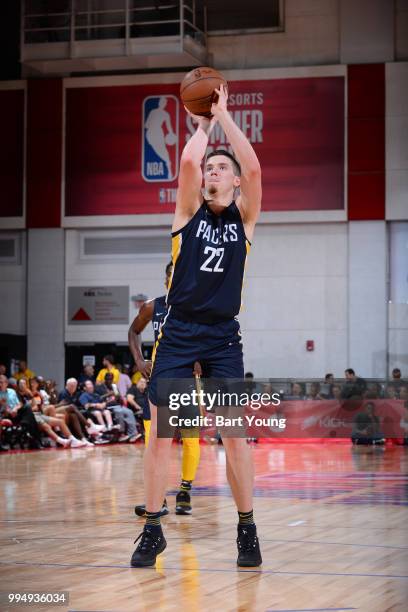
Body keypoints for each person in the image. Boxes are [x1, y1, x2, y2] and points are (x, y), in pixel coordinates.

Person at [130, 84, 262, 568]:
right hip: (180, 332)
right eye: (210, 167)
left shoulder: (244, 220)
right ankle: (152, 528)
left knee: (234, 433)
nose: (212, 170)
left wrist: (225, 116)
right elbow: (186, 165)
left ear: (235, 183)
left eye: (221, 168)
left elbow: (256, 168)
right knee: (161, 433)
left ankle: (246, 529)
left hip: (223, 335)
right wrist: (204, 123)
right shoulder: (187, 215)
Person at [128, 262, 201, 516]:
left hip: (188, 385)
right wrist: (139, 361)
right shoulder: (153, 306)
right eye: (172, 274)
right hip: (159, 383)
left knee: (191, 441)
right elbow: (134, 331)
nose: (176, 278)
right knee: (155, 443)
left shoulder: (198, 306)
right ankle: (157, 498)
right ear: (166, 279)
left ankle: (184, 490)